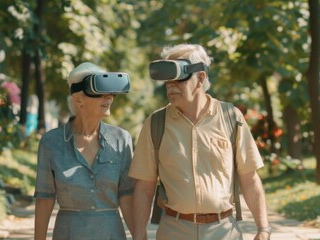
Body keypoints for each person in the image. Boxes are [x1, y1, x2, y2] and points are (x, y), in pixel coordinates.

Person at [129, 44, 271, 240]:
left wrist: (263, 229)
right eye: (168, 80)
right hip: (174, 231)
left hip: (224, 231)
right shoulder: (155, 123)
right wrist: (138, 236)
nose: (170, 85)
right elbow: (144, 187)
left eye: (178, 78)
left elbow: (249, 177)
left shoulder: (230, 117)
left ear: (200, 78)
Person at [34, 62, 135, 240]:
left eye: (111, 92)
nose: (109, 97)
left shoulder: (122, 139)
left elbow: (127, 196)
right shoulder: (51, 142)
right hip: (69, 233)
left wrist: (140, 237)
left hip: (111, 233)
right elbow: (45, 198)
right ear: (78, 99)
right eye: (100, 92)